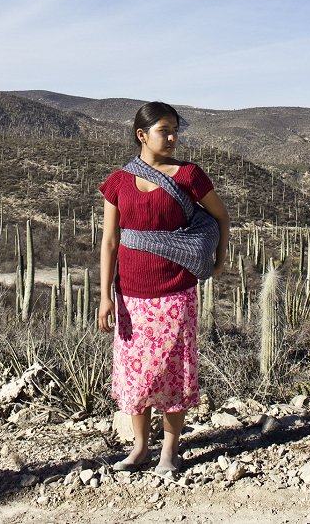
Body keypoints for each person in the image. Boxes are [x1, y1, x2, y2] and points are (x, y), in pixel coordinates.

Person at [98, 101, 230, 475]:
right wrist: (104, 295)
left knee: (174, 371)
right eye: (164, 130)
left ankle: (169, 451)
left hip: (176, 292)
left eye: (175, 130)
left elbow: (221, 216)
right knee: (135, 375)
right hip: (130, 295)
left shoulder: (188, 175)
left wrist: (218, 259)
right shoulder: (119, 182)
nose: (172, 138)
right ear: (142, 135)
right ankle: (140, 448)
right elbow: (110, 242)